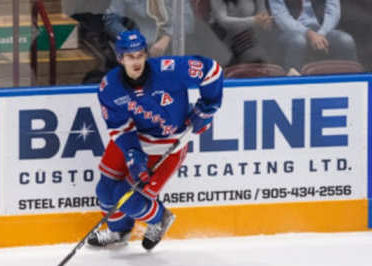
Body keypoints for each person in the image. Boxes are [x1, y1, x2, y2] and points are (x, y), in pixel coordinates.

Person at [88, 29, 224, 250]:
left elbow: (212, 71)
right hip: (134, 137)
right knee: (105, 190)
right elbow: (119, 126)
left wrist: (207, 109)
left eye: (140, 55)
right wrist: (133, 154)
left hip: (168, 143)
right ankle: (119, 231)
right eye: (130, 56)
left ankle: (160, 219)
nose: (136, 61)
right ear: (120, 58)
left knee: (129, 198)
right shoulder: (109, 87)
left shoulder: (169, 70)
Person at [268, 0, 357, 72]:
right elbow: (281, 17)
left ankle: (349, 84)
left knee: (345, 40)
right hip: (288, 30)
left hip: (321, 29)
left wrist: (321, 33)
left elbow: (333, 11)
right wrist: (308, 33)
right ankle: (293, 86)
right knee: (298, 41)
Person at [103, 0, 195, 57]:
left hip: (175, 46)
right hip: (140, 49)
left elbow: (187, 17)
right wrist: (131, 40)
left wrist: (167, 37)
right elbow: (111, 19)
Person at [208, 0, 273, 66]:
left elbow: (262, 13)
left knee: (257, 59)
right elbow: (223, 21)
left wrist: (264, 19)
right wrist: (254, 21)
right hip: (224, 29)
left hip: (246, 28)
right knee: (253, 58)